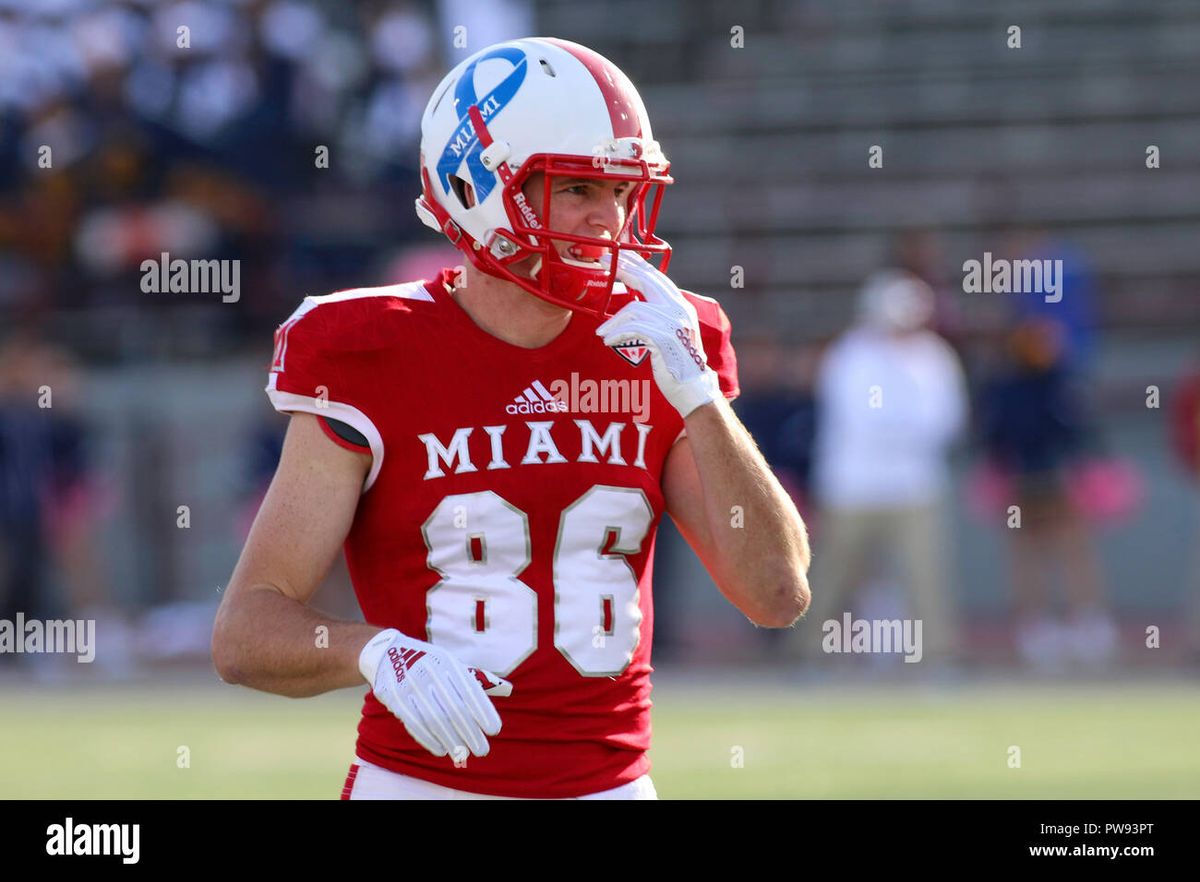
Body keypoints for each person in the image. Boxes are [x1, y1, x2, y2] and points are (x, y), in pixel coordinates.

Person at [211, 37, 811, 800]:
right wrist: (376, 655)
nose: (611, 223)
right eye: (578, 190)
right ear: (481, 188)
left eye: (623, 193)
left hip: (612, 789)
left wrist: (697, 394)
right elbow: (245, 634)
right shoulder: (368, 349)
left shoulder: (662, 338)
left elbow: (777, 593)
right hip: (421, 785)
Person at [799, 270, 968, 669]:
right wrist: (906, 428)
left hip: (915, 487)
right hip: (851, 486)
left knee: (925, 575)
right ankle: (812, 656)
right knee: (834, 575)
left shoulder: (934, 356)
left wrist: (902, 429)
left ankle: (937, 658)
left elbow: (946, 419)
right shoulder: (850, 354)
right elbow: (858, 418)